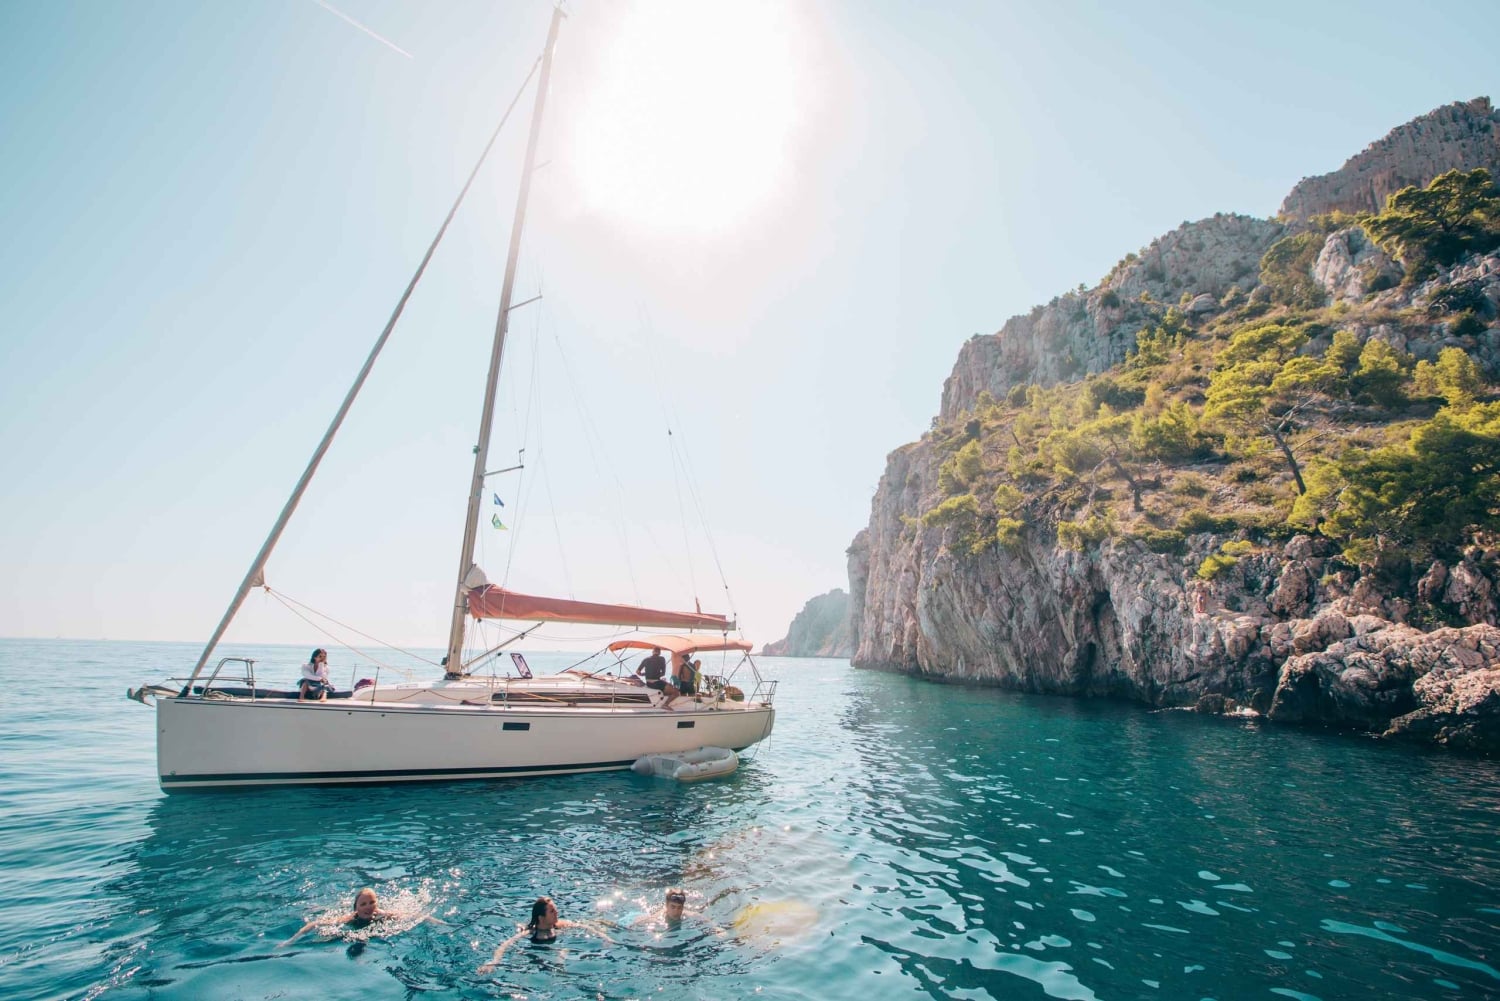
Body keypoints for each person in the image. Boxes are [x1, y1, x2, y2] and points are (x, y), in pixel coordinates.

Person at [478, 896, 612, 973]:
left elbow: (585, 927)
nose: (557, 913)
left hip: (555, 950)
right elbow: (505, 945)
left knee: (561, 955)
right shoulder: (531, 932)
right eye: (552, 911)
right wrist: (494, 962)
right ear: (541, 918)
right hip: (537, 952)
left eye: (555, 910)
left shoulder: (560, 925)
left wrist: (605, 938)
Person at [283, 887, 390, 944]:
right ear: (356, 908)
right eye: (363, 904)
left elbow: (404, 914)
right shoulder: (349, 919)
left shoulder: (381, 914)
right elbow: (314, 924)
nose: (368, 907)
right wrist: (291, 941)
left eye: (372, 902)